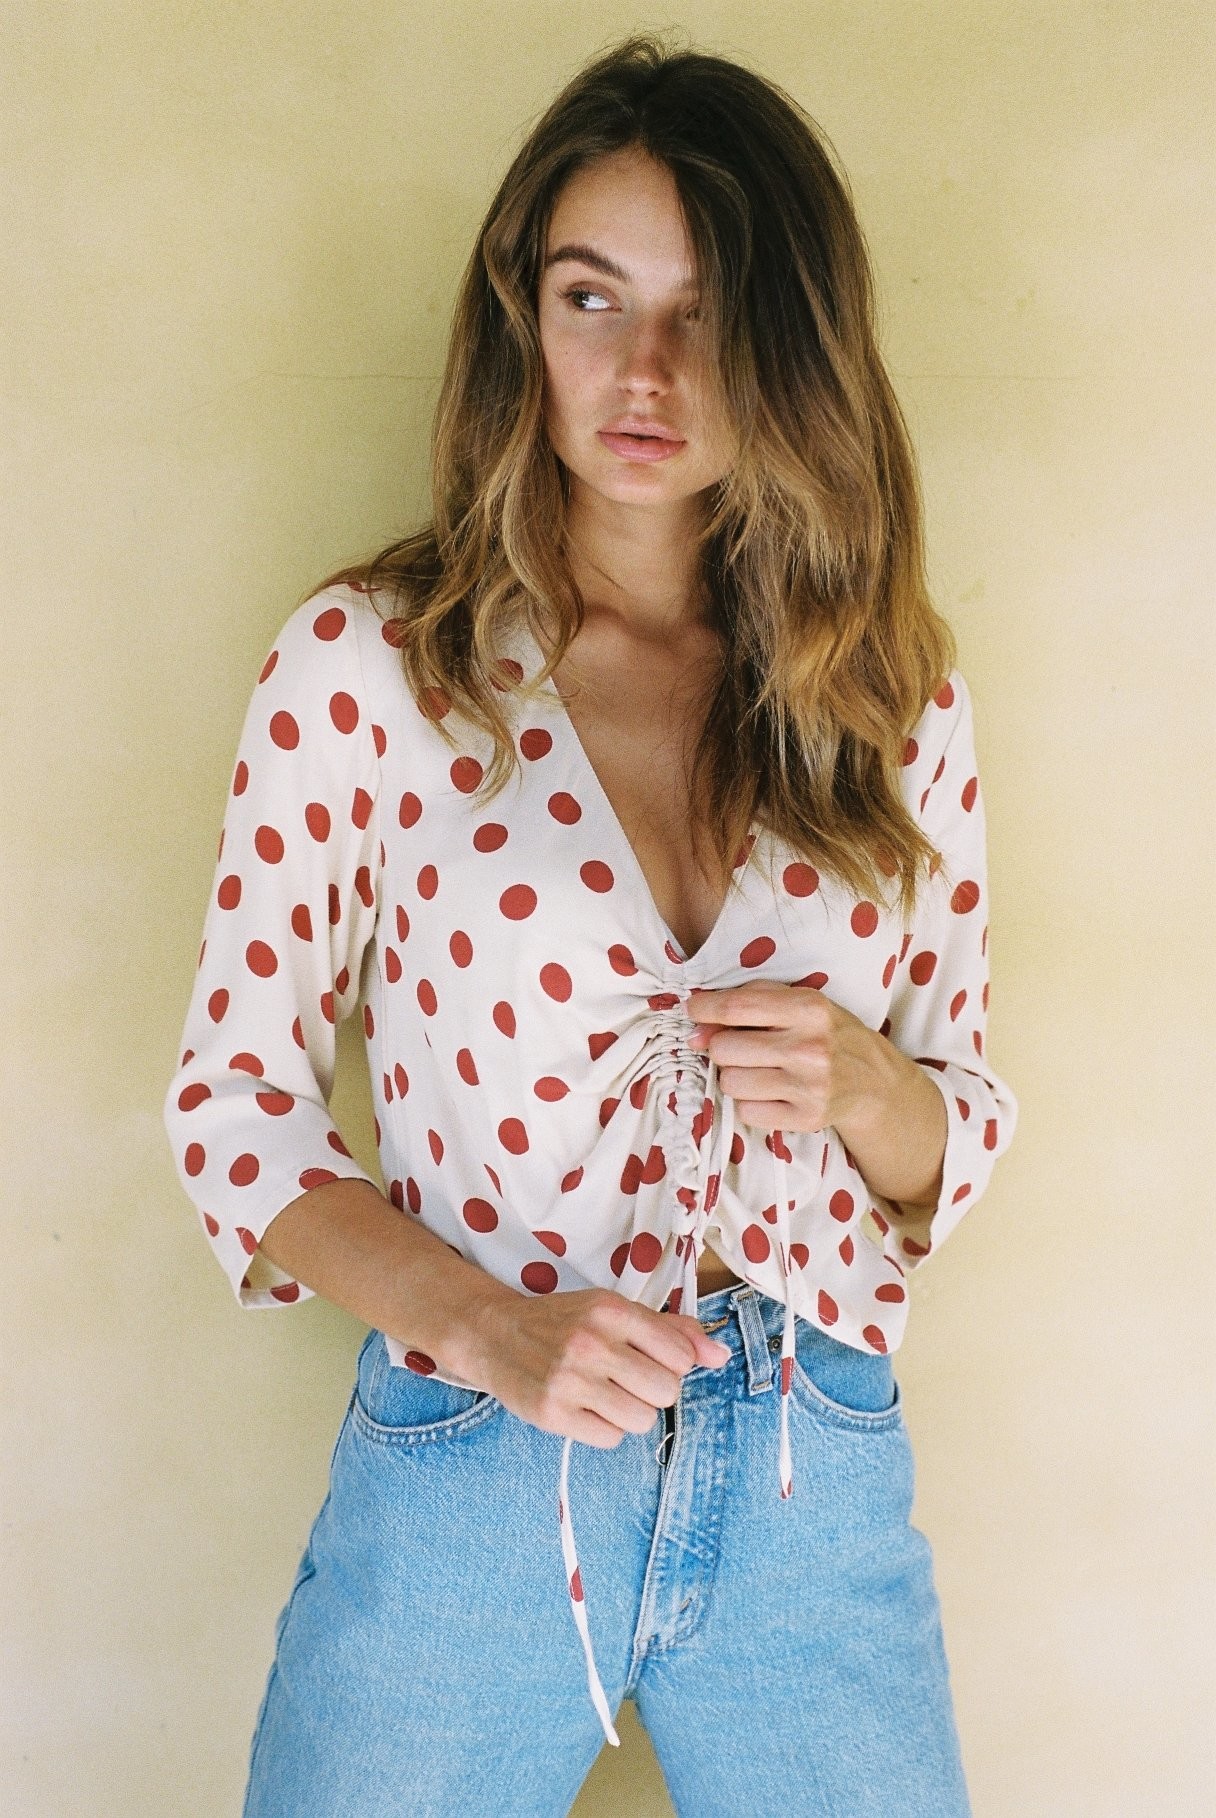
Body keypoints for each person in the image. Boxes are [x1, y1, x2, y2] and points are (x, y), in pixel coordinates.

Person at [163, 33, 1018, 1818]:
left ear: (791, 337)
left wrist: (871, 1086)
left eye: (706, 310)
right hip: (478, 1455)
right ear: (523, 319)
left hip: (807, 1454)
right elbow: (234, 1113)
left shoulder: (886, 695)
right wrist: (486, 1329)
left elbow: (950, 1139)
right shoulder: (375, 671)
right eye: (591, 297)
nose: (645, 370)